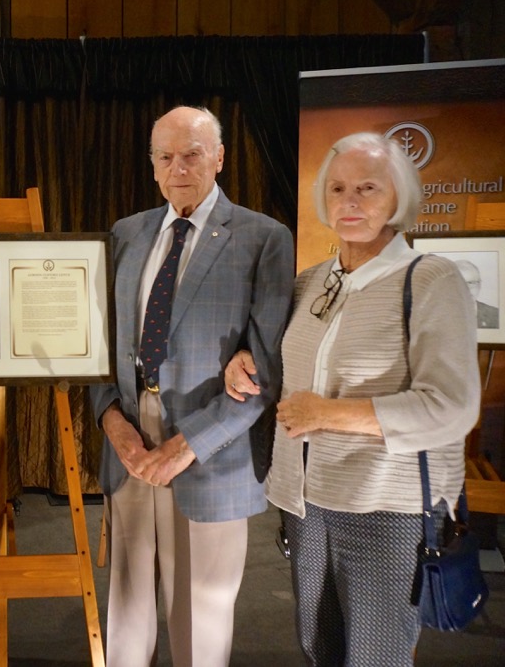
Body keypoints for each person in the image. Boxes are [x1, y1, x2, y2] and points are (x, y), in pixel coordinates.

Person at [226, 132, 479, 665]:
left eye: (368, 187)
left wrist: (330, 415)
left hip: (386, 510)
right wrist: (246, 364)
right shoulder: (310, 283)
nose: (350, 201)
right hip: (305, 505)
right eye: (338, 188)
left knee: (374, 658)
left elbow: (452, 406)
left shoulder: (430, 280)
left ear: (399, 197)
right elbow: (285, 370)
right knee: (320, 650)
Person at [89, 106, 294, 666]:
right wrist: (117, 429)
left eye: (192, 154)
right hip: (130, 447)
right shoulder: (125, 234)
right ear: (152, 165)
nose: (178, 167)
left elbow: (265, 373)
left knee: (201, 618)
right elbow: (98, 349)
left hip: (212, 451)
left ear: (220, 158)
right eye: (165, 156)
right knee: (127, 604)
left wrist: (183, 448)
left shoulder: (264, 239)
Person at [455, 258, 499, 329]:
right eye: (460, 283)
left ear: (479, 285)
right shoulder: (436, 316)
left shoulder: (496, 315)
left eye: (471, 283)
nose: (467, 289)